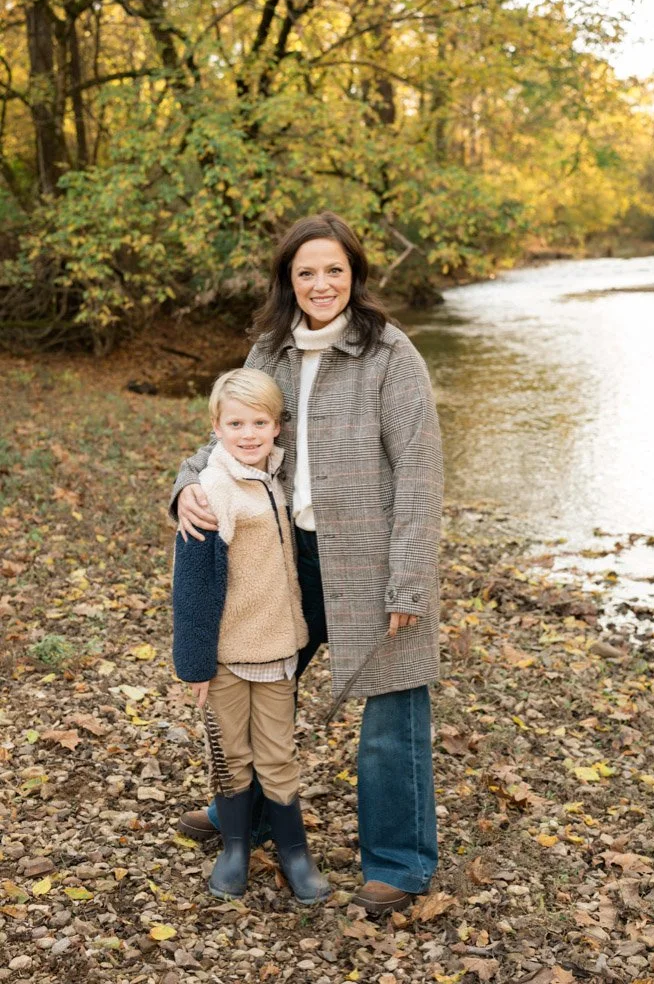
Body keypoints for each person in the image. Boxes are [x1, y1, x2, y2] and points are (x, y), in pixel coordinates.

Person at [170, 212, 444, 917]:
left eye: (333, 270)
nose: (321, 284)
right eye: (306, 272)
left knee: (391, 711)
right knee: (264, 683)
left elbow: (419, 472)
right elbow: (233, 436)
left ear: (354, 275)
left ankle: (400, 863)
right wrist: (185, 487)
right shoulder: (270, 354)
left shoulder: (391, 354)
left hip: (375, 560)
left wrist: (409, 577)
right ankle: (248, 814)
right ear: (287, 282)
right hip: (284, 555)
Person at [171, 369, 331, 904]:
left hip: (279, 649)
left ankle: (294, 851)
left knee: (278, 755)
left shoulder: (276, 477)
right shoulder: (214, 488)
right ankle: (235, 848)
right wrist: (195, 666)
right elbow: (193, 586)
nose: (248, 433)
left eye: (259, 422)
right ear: (216, 427)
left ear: (277, 428)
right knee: (232, 755)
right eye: (236, 423)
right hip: (226, 657)